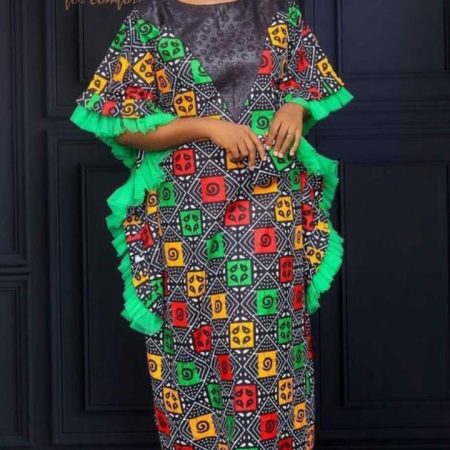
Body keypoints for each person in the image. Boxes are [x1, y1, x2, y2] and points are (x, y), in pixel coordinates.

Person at [69, 0, 354, 448]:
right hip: (187, 214)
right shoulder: (151, 20)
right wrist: (206, 127)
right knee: (190, 341)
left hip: (269, 208)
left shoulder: (276, 11)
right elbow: (118, 122)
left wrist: (295, 108)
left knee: (270, 347)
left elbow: (306, 83)